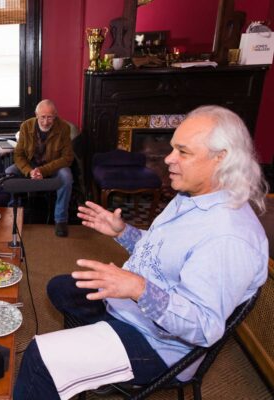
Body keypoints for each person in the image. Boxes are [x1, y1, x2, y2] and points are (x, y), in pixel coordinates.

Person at [14, 105, 269, 400]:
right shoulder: (191, 195)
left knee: (40, 359)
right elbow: (167, 253)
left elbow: (203, 327)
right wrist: (123, 231)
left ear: (220, 158)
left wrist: (138, 288)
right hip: (135, 309)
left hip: (161, 346)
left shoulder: (229, 237)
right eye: (173, 147)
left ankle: (100, 360)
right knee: (60, 288)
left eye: (183, 152)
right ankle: (99, 359)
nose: (168, 159)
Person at [6, 99, 74, 237]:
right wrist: (29, 171)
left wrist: (42, 171)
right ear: (36, 115)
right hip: (30, 165)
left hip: (52, 166)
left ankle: (61, 220)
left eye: (50, 117)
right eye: (42, 117)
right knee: (8, 173)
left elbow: (67, 158)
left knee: (67, 177)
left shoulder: (64, 128)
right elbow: (18, 155)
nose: (46, 121)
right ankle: (12, 214)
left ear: (55, 116)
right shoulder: (26, 126)